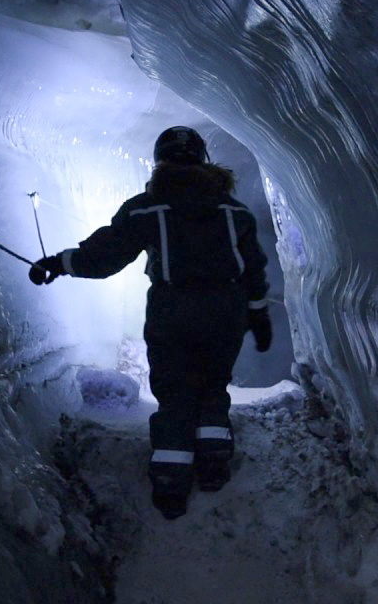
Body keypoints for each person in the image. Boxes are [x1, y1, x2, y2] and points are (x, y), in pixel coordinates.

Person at [28, 126, 272, 519]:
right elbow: (253, 269)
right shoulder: (233, 212)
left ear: (160, 161)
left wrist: (58, 263)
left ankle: (172, 485)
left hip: (172, 309)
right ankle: (212, 466)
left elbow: (106, 254)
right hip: (225, 311)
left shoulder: (148, 207)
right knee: (212, 385)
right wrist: (258, 313)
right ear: (204, 160)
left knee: (175, 392)